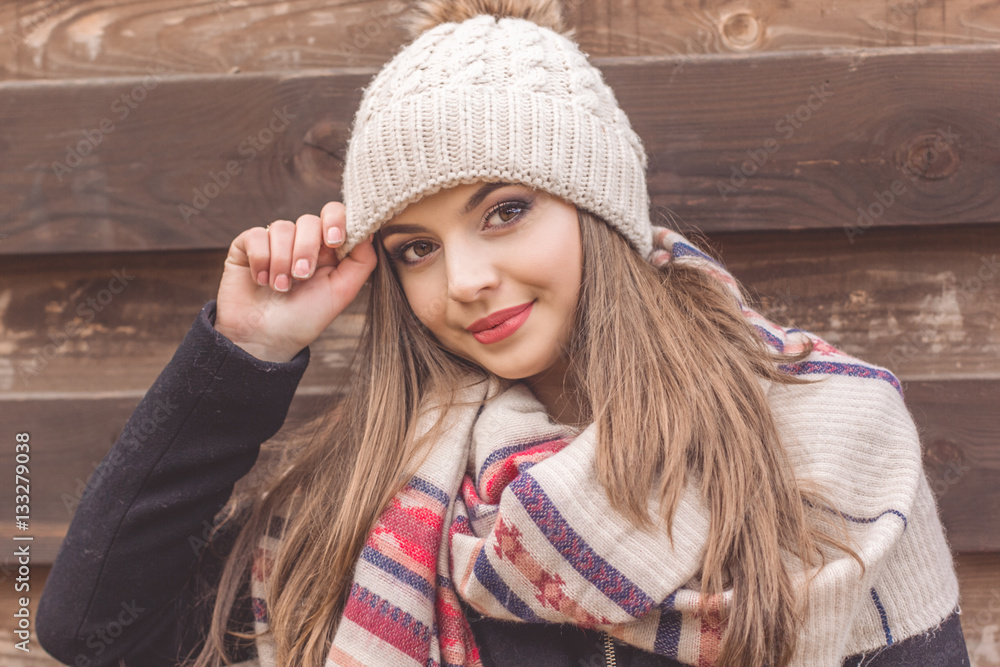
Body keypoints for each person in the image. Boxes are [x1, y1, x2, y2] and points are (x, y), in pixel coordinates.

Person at [37, 1, 970, 666]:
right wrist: (245, 351)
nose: (465, 281)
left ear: (598, 209)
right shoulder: (374, 487)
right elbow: (95, 629)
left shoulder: (830, 432)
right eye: (413, 248)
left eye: (506, 210)